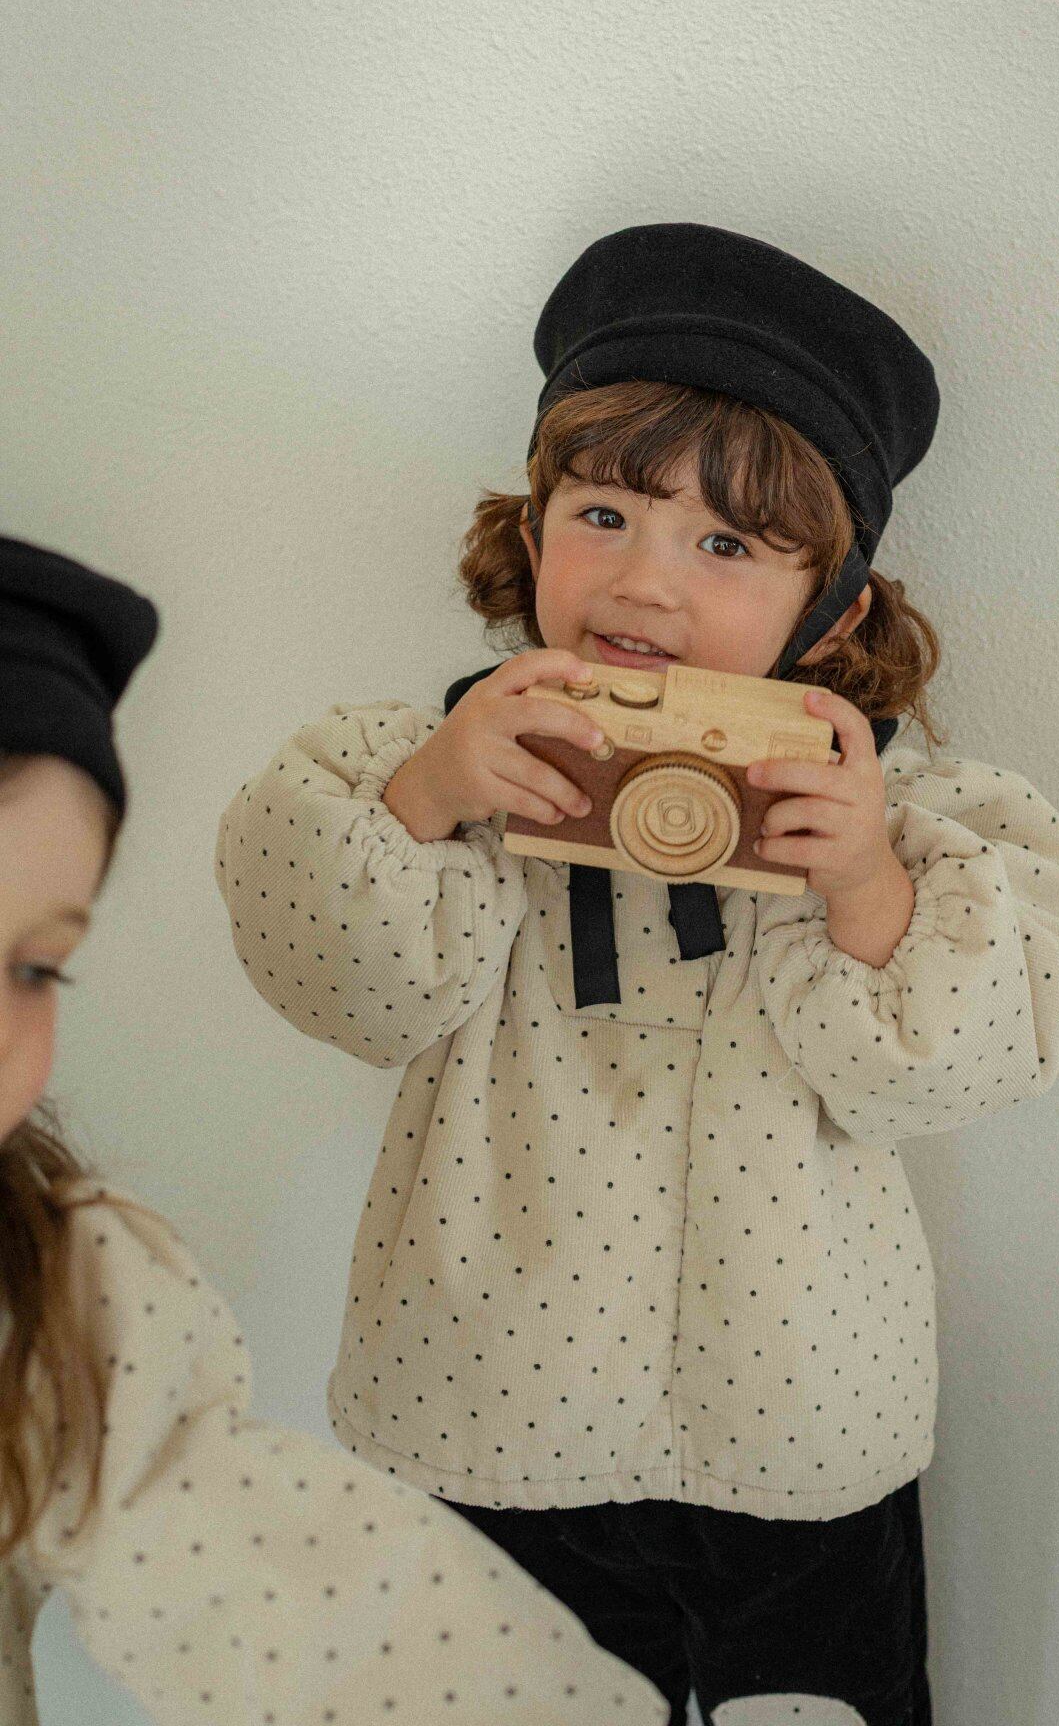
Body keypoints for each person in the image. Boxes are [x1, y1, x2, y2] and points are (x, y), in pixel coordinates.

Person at [215, 222, 1059, 1724]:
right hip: (490, 1411)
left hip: (798, 1426)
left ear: (835, 607)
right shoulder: (416, 768)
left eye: (727, 546)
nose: (646, 582)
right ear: (531, 532)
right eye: (603, 514)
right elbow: (338, 983)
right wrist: (431, 793)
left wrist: (864, 882)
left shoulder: (905, 819)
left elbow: (968, 1060)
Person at [0, 533, 669, 1724]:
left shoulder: (53, 1303)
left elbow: (317, 1597)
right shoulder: (380, 777)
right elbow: (338, 964)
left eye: (35, 969)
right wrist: (421, 798)